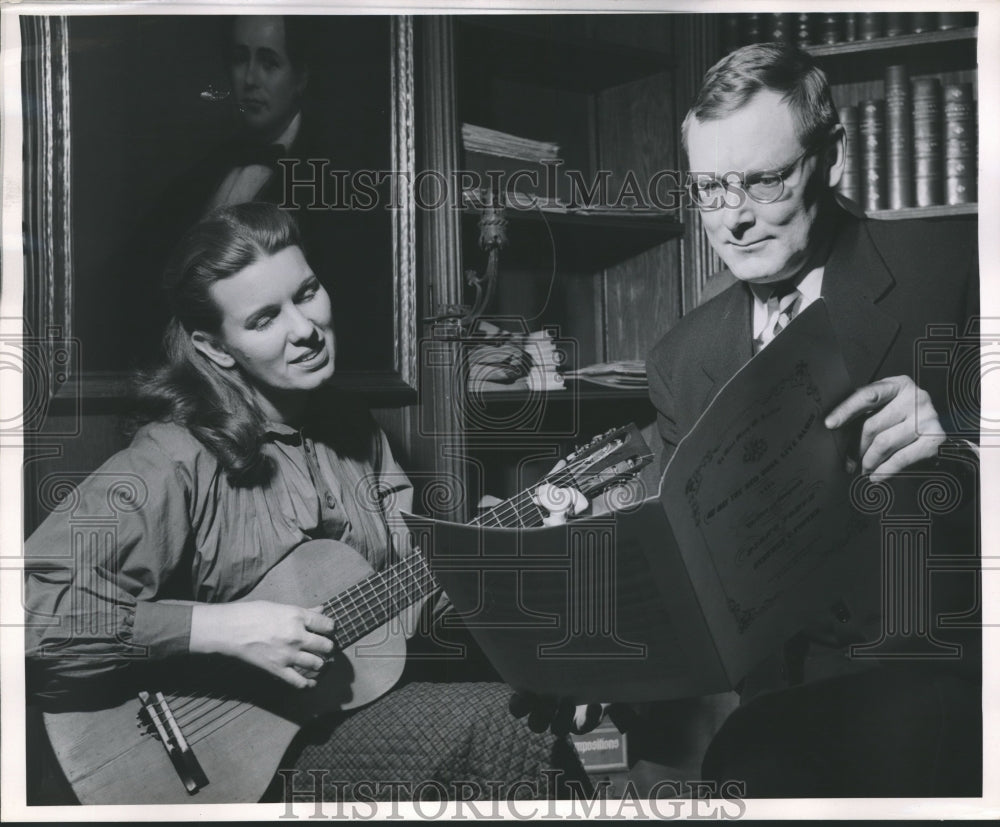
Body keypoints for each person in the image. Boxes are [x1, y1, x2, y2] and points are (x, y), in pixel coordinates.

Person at [514, 41, 980, 798]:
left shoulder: (961, 263)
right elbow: (690, 576)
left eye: (764, 181)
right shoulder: (681, 358)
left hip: (946, 692)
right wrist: (597, 653)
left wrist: (962, 443)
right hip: (775, 724)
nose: (733, 220)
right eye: (709, 189)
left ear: (830, 157)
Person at [24, 203, 582, 804]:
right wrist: (218, 628)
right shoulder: (171, 457)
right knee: (499, 726)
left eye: (307, 292)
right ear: (215, 348)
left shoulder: (358, 432)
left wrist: (512, 550)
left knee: (524, 718)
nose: (305, 328)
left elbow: (409, 601)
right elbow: (26, 614)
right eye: (265, 318)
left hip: (343, 721)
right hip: (215, 762)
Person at [121, 15, 390, 373]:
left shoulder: (336, 180)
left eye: (269, 62)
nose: (249, 79)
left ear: (302, 77)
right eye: (239, 59)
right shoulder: (199, 175)